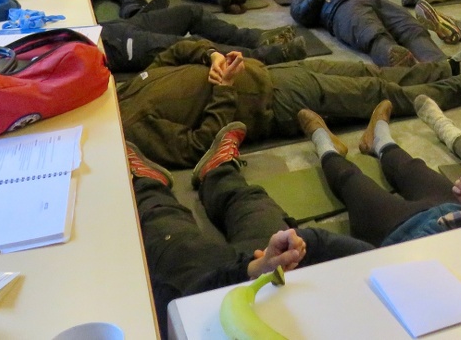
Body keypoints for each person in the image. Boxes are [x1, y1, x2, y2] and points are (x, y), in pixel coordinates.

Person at [118, 37, 461, 168]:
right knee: (378, 96)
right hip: (274, 102)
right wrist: (224, 87)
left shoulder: (126, 89)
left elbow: (174, 53)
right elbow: (198, 148)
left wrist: (212, 57)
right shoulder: (134, 130)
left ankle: (449, 65)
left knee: (370, 75)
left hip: (274, 74)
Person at [127, 126, 371, 333]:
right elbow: (361, 259)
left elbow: (177, 308)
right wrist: (267, 263)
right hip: (273, 276)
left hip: (204, 295)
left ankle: (146, 184)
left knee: (166, 227)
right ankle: (218, 170)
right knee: (253, 205)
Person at [300, 103, 461, 247]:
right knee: (412, 167)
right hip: (455, 210)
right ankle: (379, 141)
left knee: (351, 180)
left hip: (403, 234)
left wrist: (455, 224)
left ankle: (326, 147)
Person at [289, 0, 457, 67]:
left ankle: (443, 65)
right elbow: (302, 15)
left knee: (412, 28)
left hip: (377, 0)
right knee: (372, 33)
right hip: (343, 9)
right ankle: (399, 62)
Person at [99, 1, 307, 72]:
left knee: (190, 13)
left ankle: (253, 38)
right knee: (193, 46)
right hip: (109, 47)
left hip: (108, 28)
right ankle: (266, 56)